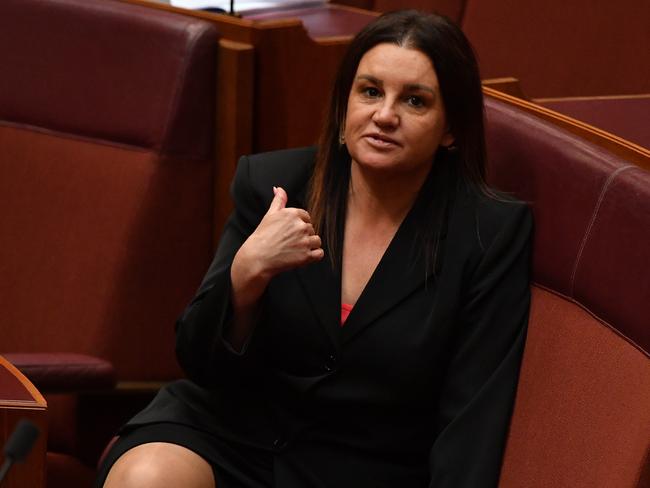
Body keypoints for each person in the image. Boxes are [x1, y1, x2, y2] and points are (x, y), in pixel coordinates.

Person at [97, 9, 532, 488]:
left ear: (450, 128)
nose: (384, 115)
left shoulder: (487, 234)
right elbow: (199, 362)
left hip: (365, 465)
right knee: (146, 477)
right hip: (238, 432)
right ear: (345, 105)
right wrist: (245, 277)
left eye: (414, 100)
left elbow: (472, 418)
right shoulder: (275, 185)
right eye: (370, 91)